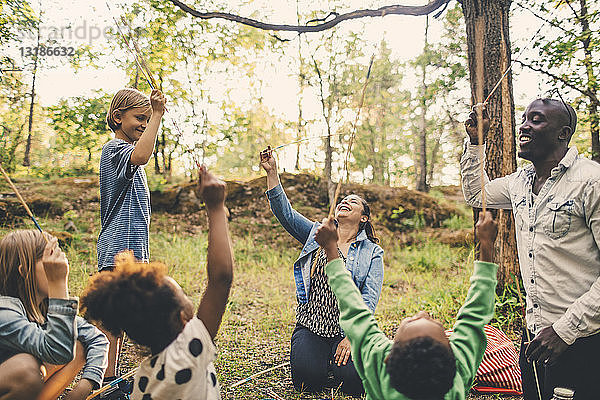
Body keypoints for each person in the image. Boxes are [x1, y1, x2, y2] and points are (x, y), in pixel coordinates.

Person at [461, 99, 600, 399]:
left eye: (536, 120)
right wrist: (475, 143)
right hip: (534, 336)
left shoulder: (591, 181)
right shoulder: (519, 183)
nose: (523, 126)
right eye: (524, 118)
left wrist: (565, 329)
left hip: (584, 339)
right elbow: (476, 194)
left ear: (563, 134)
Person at [82, 166, 233, 400]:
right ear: (182, 318)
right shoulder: (189, 351)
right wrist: (215, 209)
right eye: (182, 293)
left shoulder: (143, 379)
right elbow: (221, 279)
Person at [314, 211, 499, 399]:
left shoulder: (379, 361)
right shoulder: (456, 377)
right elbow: (474, 313)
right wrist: (487, 245)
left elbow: (351, 303)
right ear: (454, 359)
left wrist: (329, 249)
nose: (422, 312)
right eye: (433, 322)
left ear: (387, 357)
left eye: (412, 321)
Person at [259, 146, 384, 396]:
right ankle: (317, 357)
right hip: (312, 326)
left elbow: (369, 299)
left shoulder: (372, 252)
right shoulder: (317, 234)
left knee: (353, 383)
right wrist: (272, 173)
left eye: (354, 202)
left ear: (364, 218)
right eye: (344, 199)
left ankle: (342, 357)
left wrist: (352, 337)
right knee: (307, 381)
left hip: (346, 329)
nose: (345, 201)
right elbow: (285, 214)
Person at [97, 87, 166, 390]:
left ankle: (110, 377)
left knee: (123, 315)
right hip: (117, 248)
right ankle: (104, 378)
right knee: (113, 317)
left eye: (147, 118)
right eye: (140, 117)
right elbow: (142, 155)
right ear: (117, 117)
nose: (144, 123)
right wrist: (159, 115)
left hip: (133, 249)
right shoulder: (116, 150)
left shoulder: (128, 155)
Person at [0, 231, 108, 400]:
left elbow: (97, 338)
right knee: (26, 369)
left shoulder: (42, 308)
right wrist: (58, 285)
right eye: (50, 262)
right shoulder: (4, 312)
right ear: (24, 271)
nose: (59, 266)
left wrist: (84, 386)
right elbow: (58, 352)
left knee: (78, 345)